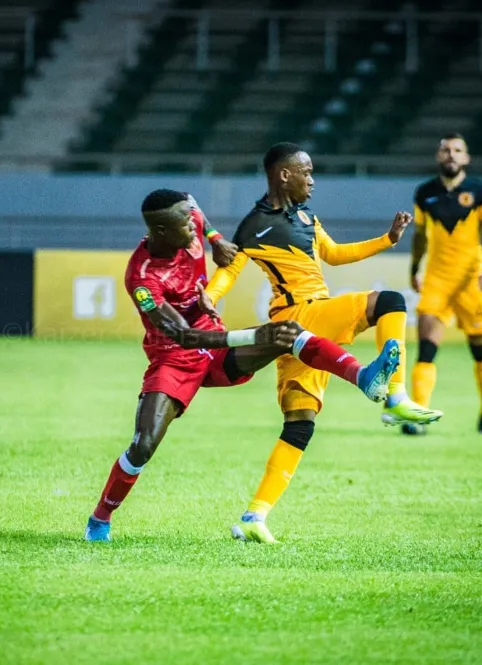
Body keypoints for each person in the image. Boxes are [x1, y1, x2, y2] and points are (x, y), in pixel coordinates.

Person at [84, 189, 403, 543]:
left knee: (288, 332)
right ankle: (100, 518)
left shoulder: (189, 221)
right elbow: (183, 336)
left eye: (192, 221)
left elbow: (195, 208)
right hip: (174, 360)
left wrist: (215, 239)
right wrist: (249, 336)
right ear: (160, 230)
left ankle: (363, 377)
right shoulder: (142, 278)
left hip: (215, 347)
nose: (192, 227)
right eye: (185, 225)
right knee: (143, 445)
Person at [204, 143, 444, 544]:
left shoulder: (306, 216)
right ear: (284, 175)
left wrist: (387, 239)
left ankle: (253, 516)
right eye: (307, 172)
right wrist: (210, 297)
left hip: (299, 329)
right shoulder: (254, 226)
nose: (312, 181)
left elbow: (333, 254)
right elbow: (230, 270)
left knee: (299, 425)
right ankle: (395, 396)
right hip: (300, 314)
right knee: (389, 302)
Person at [406, 133, 482, 436]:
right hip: (436, 279)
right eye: (446, 150)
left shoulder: (480, 191)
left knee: (479, 347)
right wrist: (414, 268)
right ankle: (419, 417)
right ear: (438, 156)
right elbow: (420, 236)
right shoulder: (425, 193)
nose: (451, 154)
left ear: (466, 158)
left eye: (457, 150)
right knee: (426, 349)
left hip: (470, 280)